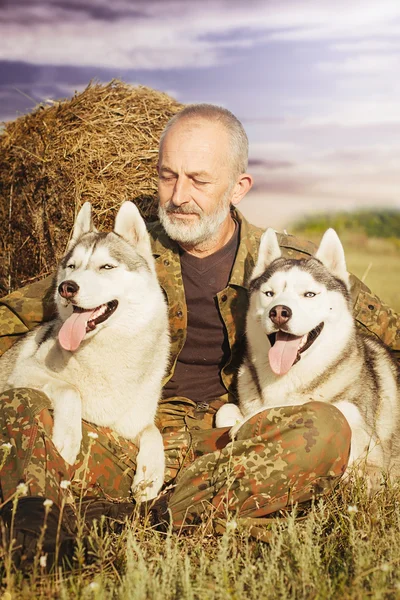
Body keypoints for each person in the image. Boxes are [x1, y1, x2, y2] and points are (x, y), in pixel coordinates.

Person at [0, 104, 399, 567]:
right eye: (167, 176)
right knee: (20, 405)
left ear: (239, 187)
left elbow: (383, 329)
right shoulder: (120, 257)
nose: (178, 195)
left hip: (238, 446)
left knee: (326, 427)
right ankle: (33, 533)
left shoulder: (288, 264)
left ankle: (148, 518)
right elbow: (19, 314)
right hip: (130, 445)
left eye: (198, 180)